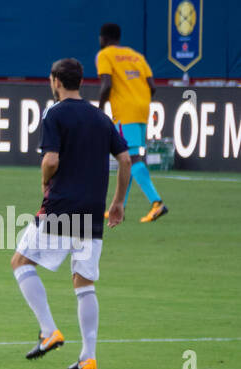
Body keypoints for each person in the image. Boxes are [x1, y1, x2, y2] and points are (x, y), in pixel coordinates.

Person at [9, 58, 130, 369]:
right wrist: (117, 202)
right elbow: (126, 160)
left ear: (55, 81)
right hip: (93, 211)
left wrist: (44, 180)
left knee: (20, 262)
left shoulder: (54, 113)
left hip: (62, 207)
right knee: (84, 283)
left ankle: (49, 331)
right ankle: (88, 356)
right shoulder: (100, 118)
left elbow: (50, 159)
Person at [97, 22, 166, 222]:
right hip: (142, 109)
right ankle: (120, 206)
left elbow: (107, 83)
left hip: (124, 111)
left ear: (103, 38)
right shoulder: (137, 56)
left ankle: (157, 202)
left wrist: (100, 111)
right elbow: (152, 86)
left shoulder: (105, 55)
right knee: (126, 157)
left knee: (132, 159)